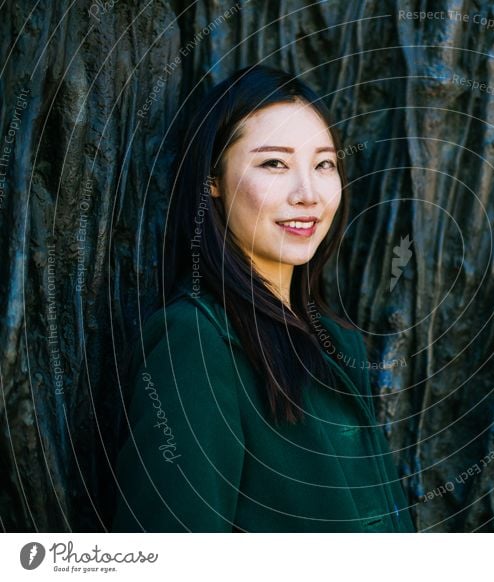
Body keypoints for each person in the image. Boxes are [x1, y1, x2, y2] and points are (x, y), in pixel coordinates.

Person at [111, 65, 415, 532]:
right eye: (274, 163)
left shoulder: (336, 340)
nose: (307, 194)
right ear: (212, 180)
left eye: (324, 164)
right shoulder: (196, 343)